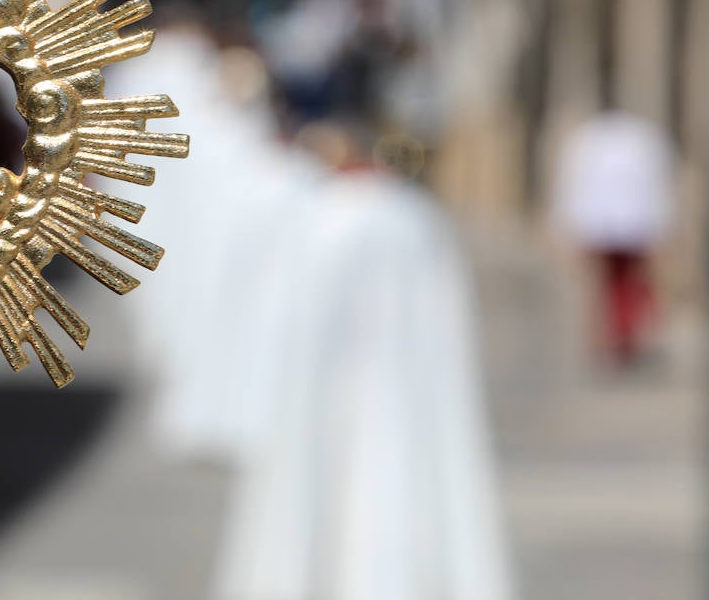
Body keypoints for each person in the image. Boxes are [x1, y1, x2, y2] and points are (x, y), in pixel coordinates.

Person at [212, 128, 512, 600]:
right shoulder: (413, 218)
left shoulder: (319, 216)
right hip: (406, 396)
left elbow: (282, 316)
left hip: (331, 395)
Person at [553, 111, 675, 365]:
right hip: (618, 226)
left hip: (624, 226)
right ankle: (619, 336)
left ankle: (627, 335)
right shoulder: (607, 141)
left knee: (625, 283)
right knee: (615, 284)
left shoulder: (597, 141)